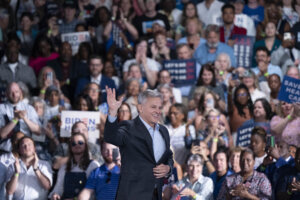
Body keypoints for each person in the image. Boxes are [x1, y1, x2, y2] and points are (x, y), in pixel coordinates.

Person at [104, 87, 173, 200]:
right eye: (153, 107)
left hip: (156, 194)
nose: (158, 111)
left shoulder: (163, 131)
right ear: (140, 108)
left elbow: (168, 156)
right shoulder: (128, 127)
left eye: (159, 107)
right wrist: (112, 112)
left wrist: (168, 168)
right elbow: (110, 137)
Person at [49, 133, 99, 200]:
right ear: (70, 147)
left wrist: (75, 199)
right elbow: (58, 188)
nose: (77, 145)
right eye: (73, 143)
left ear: (86, 145)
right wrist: (55, 195)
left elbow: (94, 193)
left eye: (80, 143)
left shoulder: (93, 165)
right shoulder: (64, 167)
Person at [5, 136, 53, 200]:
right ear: (19, 150)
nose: (26, 147)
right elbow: (9, 191)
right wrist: (16, 173)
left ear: (34, 148)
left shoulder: (44, 164)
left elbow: (47, 186)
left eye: (29, 144)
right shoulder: (13, 165)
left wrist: (36, 169)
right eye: (23, 145)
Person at [0, 82, 41, 151]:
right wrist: (15, 119)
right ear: (6, 94)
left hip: (26, 147)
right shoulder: (1, 109)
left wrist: (24, 118)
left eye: (16, 92)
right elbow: (1, 134)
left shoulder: (29, 108)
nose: (14, 95)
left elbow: (38, 131)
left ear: (21, 92)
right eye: (11, 92)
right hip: (6, 147)